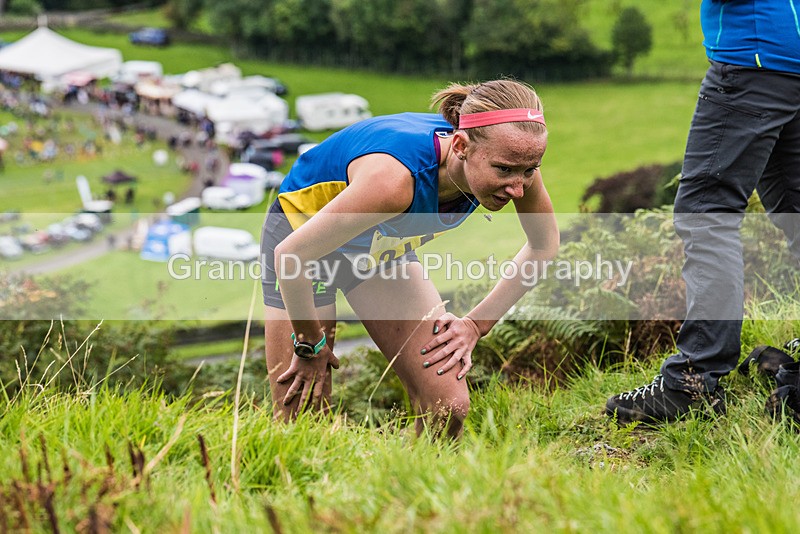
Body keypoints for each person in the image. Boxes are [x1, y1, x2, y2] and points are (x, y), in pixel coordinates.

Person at [261, 79, 559, 438]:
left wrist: (476, 325)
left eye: (529, 170)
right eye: (505, 170)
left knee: (447, 406)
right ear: (461, 146)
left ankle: (407, 486)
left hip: (376, 245)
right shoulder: (394, 182)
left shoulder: (511, 157)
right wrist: (310, 345)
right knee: (301, 414)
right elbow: (291, 255)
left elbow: (543, 245)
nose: (518, 188)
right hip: (304, 239)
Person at [606, 0, 800, 424]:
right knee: (794, 205)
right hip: (787, 55)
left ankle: (692, 382)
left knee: (707, 213)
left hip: (755, 57)